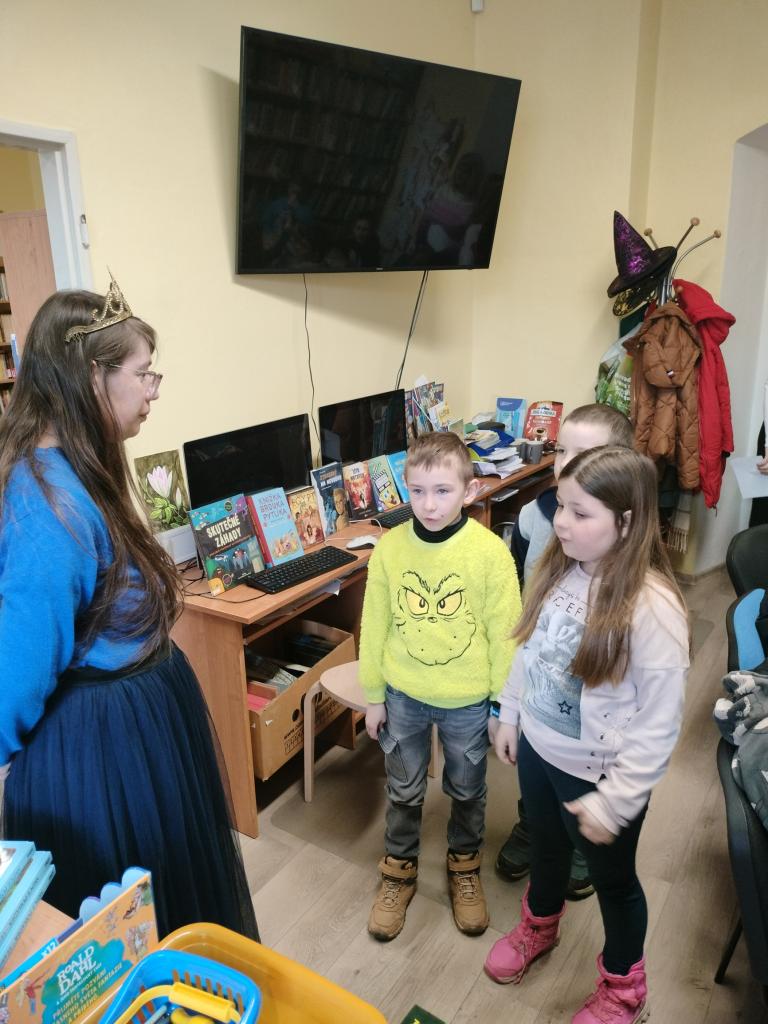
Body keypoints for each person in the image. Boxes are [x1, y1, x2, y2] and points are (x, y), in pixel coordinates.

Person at [0, 281, 258, 940]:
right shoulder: (46, 506)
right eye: (143, 373)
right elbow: (17, 678)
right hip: (104, 752)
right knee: (131, 933)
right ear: (93, 376)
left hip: (138, 728)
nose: (153, 390)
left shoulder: (82, 468)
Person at [485, 446, 689, 1024]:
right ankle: (539, 927)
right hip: (539, 753)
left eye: (580, 512)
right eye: (561, 507)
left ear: (626, 521)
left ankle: (625, 989)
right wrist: (510, 713)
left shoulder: (653, 608)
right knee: (546, 852)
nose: (561, 523)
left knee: (613, 884)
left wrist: (617, 800)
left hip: (599, 779)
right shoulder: (560, 570)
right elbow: (529, 650)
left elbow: (659, 723)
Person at [359, 432, 522, 941]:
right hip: (403, 695)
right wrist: (373, 695)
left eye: (443, 491)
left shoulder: (489, 553)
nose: (429, 505)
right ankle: (398, 871)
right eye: (417, 491)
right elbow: (374, 623)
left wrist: (501, 705)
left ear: (469, 491)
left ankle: (464, 867)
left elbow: (506, 633)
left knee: (468, 790)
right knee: (403, 789)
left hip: (468, 700)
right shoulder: (390, 549)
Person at [498, 403, 634, 900]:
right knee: (539, 762)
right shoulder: (534, 517)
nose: (567, 464)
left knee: (581, 774)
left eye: (586, 453)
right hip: (541, 676)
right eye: (561, 451)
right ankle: (534, 824)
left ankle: (580, 837)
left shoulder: (621, 536)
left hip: (595, 699)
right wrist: (509, 704)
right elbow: (523, 600)